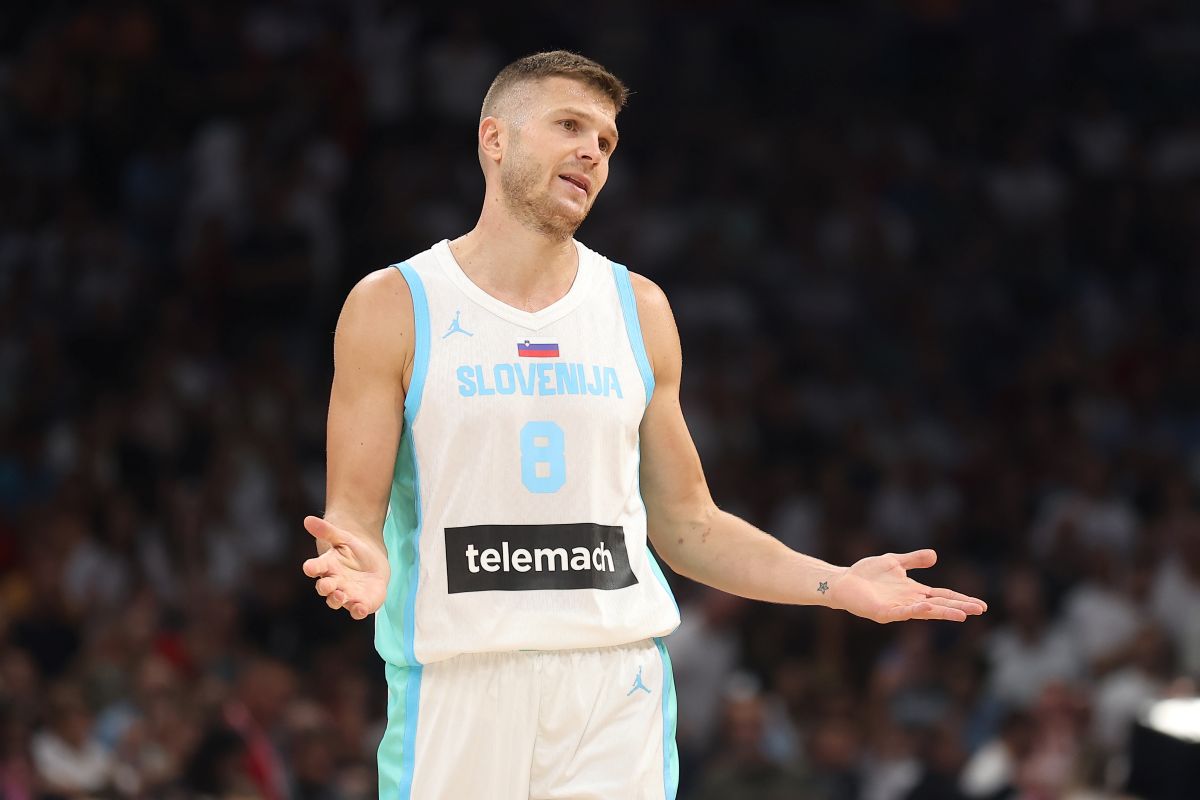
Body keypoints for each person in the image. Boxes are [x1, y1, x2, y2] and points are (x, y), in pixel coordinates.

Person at [300, 50, 987, 799]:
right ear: (494, 139)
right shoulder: (394, 304)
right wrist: (360, 557)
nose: (592, 151)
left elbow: (688, 524)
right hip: (459, 681)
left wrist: (837, 585)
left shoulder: (639, 309)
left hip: (613, 684)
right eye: (570, 125)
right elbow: (354, 514)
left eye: (606, 140)